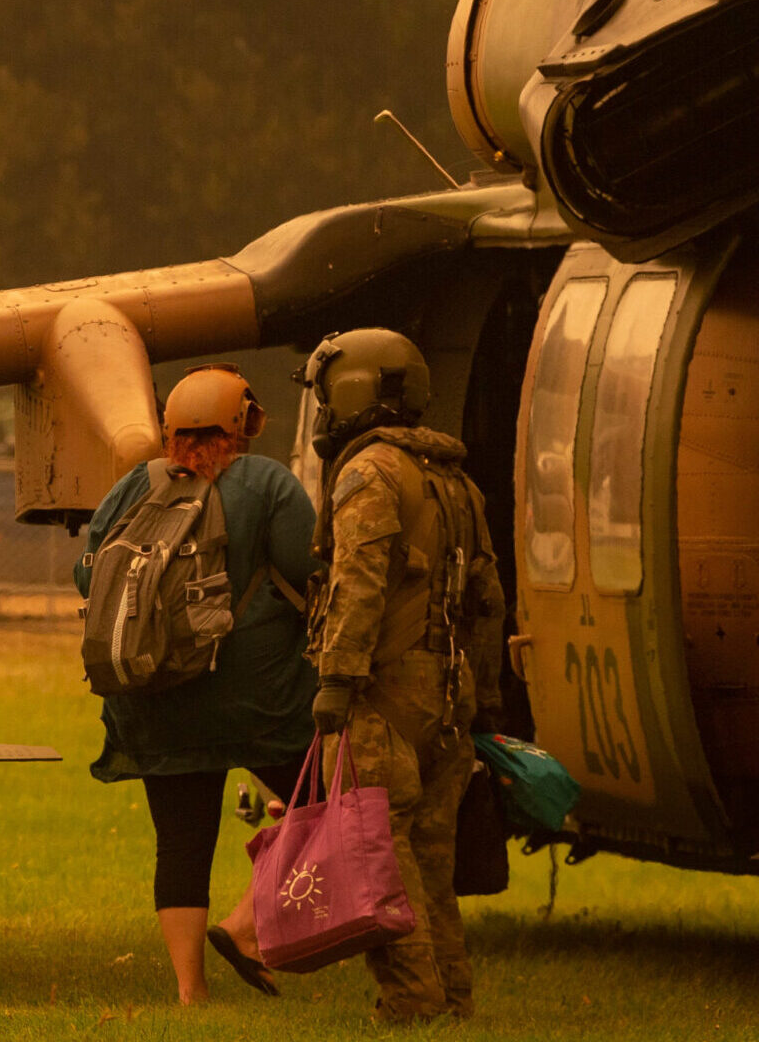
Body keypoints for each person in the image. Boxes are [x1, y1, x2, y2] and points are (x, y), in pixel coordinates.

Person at [75, 364, 320, 1005]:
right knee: (327, 801)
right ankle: (245, 926)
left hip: (153, 698)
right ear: (243, 423)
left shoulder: (134, 485)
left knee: (181, 841)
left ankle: (190, 990)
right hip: (257, 699)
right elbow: (308, 570)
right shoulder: (269, 483)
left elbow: (87, 577)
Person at [299, 329, 505, 1022]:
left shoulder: (370, 475)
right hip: (450, 700)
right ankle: (452, 997)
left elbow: (358, 581)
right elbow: (488, 600)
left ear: (356, 390)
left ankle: (412, 1000)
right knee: (431, 862)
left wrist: (336, 676)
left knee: (375, 858)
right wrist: (487, 695)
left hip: (381, 697)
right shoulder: (457, 484)